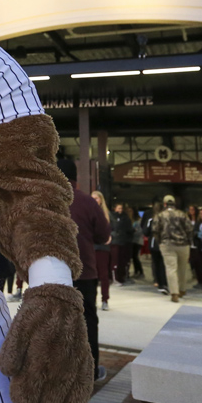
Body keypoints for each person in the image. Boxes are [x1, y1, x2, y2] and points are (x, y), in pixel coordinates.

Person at [65, 160, 111, 382]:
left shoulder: (41, 201)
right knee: (87, 322)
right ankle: (89, 372)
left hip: (48, 274)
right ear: (76, 178)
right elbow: (103, 235)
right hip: (84, 273)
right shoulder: (88, 202)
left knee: (52, 322)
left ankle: (55, 373)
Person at [156, 195, 192, 302]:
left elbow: (155, 229)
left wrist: (160, 242)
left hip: (167, 244)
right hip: (183, 244)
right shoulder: (182, 214)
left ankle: (174, 293)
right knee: (182, 268)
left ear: (165, 204)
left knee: (171, 268)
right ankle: (182, 289)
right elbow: (190, 229)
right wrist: (188, 241)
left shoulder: (160, 215)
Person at [91, 191, 114, 310]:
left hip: (103, 248)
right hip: (91, 247)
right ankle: (92, 300)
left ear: (101, 200)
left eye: (97, 198)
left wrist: (110, 237)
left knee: (104, 275)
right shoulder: (88, 212)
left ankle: (105, 300)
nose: (95, 200)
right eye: (92, 198)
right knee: (92, 276)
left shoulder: (107, 214)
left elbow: (115, 229)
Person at [110, 202, 134, 286]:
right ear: (115, 208)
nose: (120, 210)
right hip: (115, 241)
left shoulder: (125, 218)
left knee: (122, 261)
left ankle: (122, 277)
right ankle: (115, 278)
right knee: (115, 261)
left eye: (121, 208)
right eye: (118, 208)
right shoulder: (112, 217)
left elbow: (129, 229)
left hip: (124, 242)